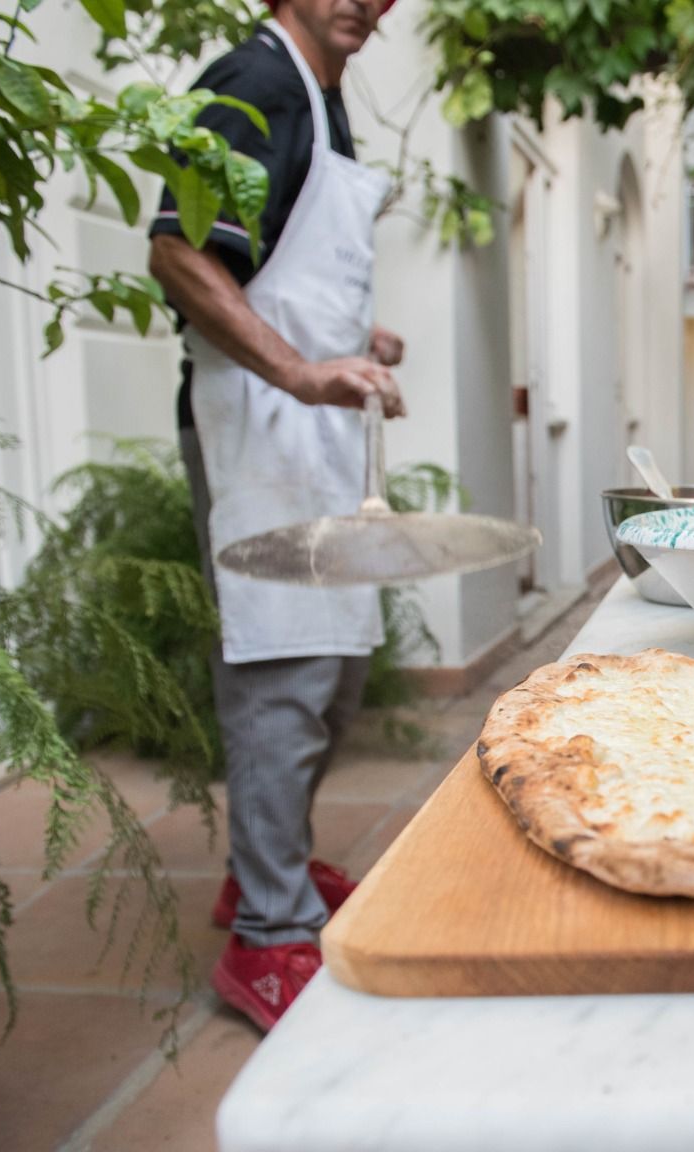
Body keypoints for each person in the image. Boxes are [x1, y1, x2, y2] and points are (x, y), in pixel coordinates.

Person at [147, 0, 403, 1031]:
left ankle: (269, 872)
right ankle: (266, 936)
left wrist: (354, 336)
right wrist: (301, 368)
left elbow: (276, 266)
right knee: (283, 672)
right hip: (259, 432)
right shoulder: (253, 83)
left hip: (311, 436)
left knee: (331, 671)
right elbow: (178, 254)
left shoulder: (320, 104)